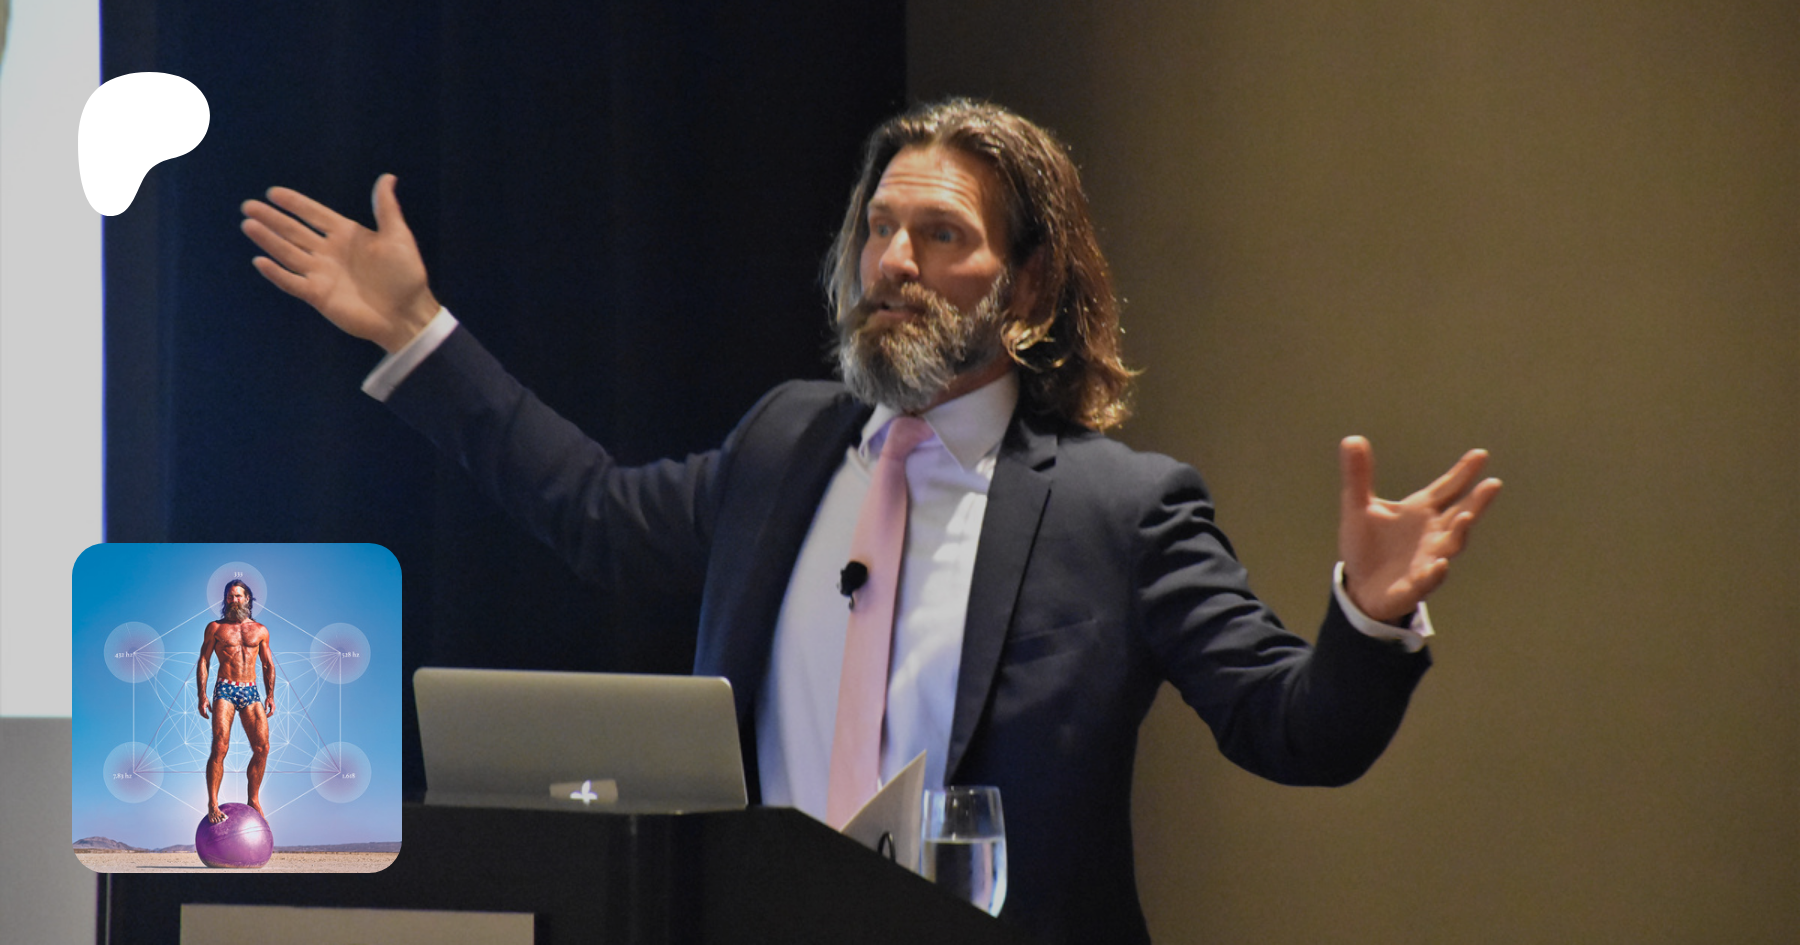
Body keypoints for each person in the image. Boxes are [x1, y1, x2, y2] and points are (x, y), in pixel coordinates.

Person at [240, 98, 1499, 943]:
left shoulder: (1121, 509)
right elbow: (596, 516)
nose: (895, 260)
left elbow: (1294, 730)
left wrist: (1367, 615)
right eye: (880, 229)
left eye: (941, 234)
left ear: (1028, 285)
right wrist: (416, 333)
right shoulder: (787, 445)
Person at [196, 578, 276, 823]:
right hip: (225, 689)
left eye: (238, 596)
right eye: (230, 596)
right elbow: (204, 660)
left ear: (247, 599)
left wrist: (270, 695)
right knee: (220, 746)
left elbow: (267, 664)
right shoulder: (215, 628)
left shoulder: (260, 630)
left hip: (251, 690)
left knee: (262, 748)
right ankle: (213, 802)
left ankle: (254, 799)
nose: (234, 600)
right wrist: (202, 695)